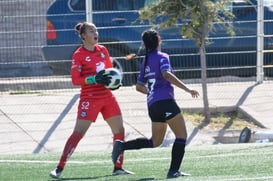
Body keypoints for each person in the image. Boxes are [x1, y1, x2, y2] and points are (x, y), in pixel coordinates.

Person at [112, 29, 199, 178]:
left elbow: (139, 87)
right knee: (182, 136)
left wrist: (152, 93)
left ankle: (122, 145)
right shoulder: (163, 56)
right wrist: (187, 89)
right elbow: (166, 74)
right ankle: (173, 171)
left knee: (155, 142)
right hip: (165, 102)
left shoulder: (144, 61)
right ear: (159, 39)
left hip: (153, 105)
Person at [49, 22, 133, 178]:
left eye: (96, 30)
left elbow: (109, 72)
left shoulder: (103, 50)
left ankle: (118, 167)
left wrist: (113, 83)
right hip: (90, 98)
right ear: (83, 36)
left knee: (119, 131)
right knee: (78, 132)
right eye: (91, 31)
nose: (96, 33)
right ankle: (59, 168)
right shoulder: (78, 55)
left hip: (107, 97)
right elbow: (75, 79)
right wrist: (94, 78)